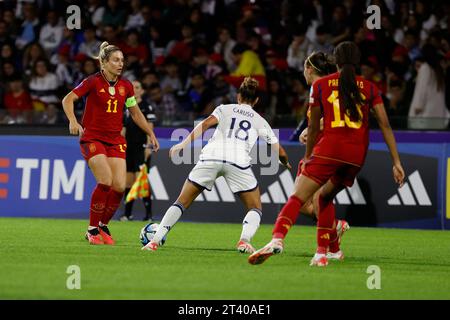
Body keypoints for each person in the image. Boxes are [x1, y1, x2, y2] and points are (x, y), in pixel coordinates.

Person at [249, 42, 405, 267]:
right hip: (356, 155)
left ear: (337, 61)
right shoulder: (369, 87)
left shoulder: (321, 85)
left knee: (297, 197)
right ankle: (324, 252)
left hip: (330, 149)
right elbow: (386, 125)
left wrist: (309, 156)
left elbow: (313, 127)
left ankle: (277, 239)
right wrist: (396, 162)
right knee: (324, 198)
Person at [142, 77, 291, 253]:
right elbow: (279, 150)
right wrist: (285, 162)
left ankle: (154, 242)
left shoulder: (224, 109)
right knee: (255, 207)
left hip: (211, 156)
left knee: (181, 202)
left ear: (238, 97)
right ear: (256, 100)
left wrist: (183, 144)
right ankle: (244, 241)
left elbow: (205, 125)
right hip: (238, 161)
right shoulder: (260, 120)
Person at [62, 41, 159, 245]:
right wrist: (72, 120)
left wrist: (150, 132)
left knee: (119, 187)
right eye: (115, 60)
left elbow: (135, 113)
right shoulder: (93, 81)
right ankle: (91, 230)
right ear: (103, 63)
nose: (120, 63)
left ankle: (102, 226)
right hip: (93, 138)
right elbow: (67, 99)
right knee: (105, 181)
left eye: (122, 60)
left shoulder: (126, 86)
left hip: (115, 140)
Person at [120, 80, 156, 222]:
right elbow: (123, 129)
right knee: (128, 182)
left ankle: (148, 215)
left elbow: (150, 128)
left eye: (137, 87)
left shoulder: (147, 107)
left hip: (141, 147)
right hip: (128, 148)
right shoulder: (126, 107)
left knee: (141, 180)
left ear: (142, 91)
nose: (134, 90)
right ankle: (127, 214)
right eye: (132, 87)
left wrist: (148, 146)